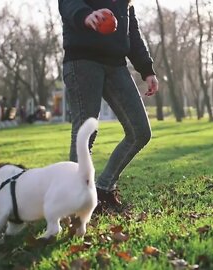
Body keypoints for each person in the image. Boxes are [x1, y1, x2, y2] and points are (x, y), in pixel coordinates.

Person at [58, 0, 159, 212]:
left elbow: (132, 34)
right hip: (82, 61)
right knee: (86, 130)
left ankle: (103, 188)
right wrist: (85, 15)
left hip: (116, 65)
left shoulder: (126, 3)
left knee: (140, 131)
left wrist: (147, 70)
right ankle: (76, 198)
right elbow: (68, 3)